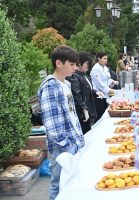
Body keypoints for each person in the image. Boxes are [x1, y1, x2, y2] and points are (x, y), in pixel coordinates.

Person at [37, 45, 85, 200]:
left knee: (69, 184)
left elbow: (71, 116)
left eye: (75, 64)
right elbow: (52, 124)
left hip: (72, 143)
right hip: (62, 147)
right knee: (58, 186)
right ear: (59, 63)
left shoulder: (65, 83)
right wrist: (67, 144)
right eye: (71, 64)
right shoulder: (51, 85)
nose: (75, 68)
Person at [66, 51, 98, 134]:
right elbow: (77, 94)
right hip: (81, 113)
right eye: (87, 63)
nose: (89, 66)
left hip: (88, 109)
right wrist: (84, 109)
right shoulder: (75, 76)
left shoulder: (84, 74)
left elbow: (88, 89)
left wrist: (96, 92)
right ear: (80, 63)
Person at [91, 52, 118, 121]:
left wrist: (113, 82)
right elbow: (100, 84)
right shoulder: (95, 69)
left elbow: (107, 79)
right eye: (104, 59)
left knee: (105, 113)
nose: (106, 60)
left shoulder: (105, 68)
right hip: (99, 95)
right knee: (100, 115)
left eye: (106, 59)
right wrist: (109, 90)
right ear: (98, 59)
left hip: (106, 93)